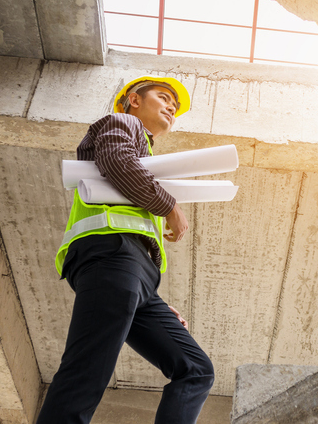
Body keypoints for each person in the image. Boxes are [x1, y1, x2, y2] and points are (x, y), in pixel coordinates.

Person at [37, 76, 214, 424]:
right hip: (112, 256)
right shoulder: (122, 122)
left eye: (175, 107)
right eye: (163, 98)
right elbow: (118, 163)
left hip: (136, 277)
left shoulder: (147, 160)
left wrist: (146, 293)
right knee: (87, 369)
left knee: (196, 369)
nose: (171, 108)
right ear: (134, 100)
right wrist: (170, 207)